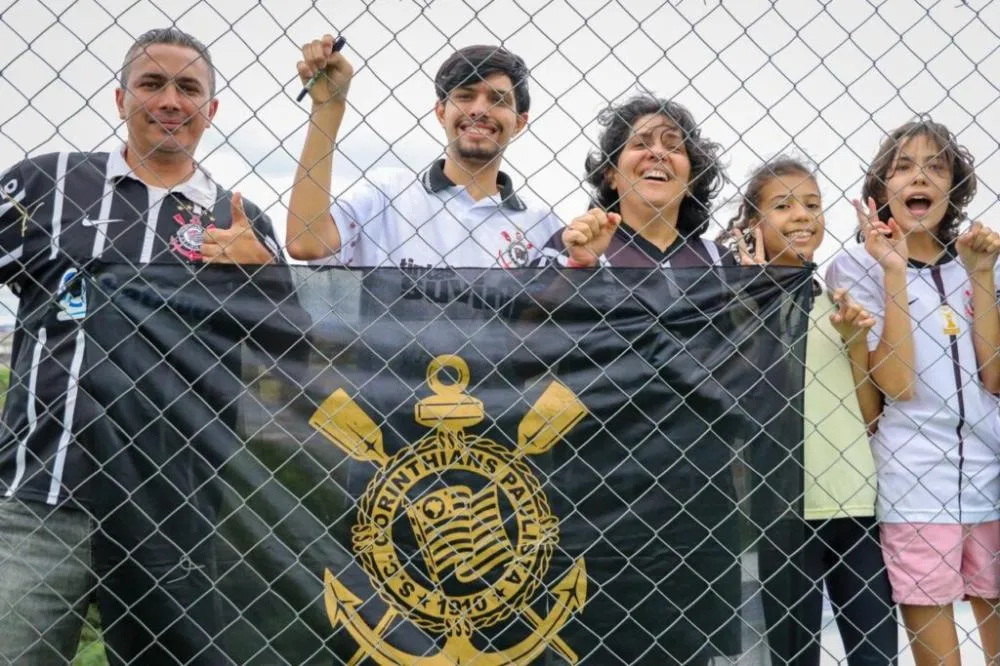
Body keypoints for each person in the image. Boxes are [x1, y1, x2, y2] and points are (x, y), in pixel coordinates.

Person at [0, 26, 281, 664]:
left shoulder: (236, 218)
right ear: (120, 96)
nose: (170, 101)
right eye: (152, 84)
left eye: (189, 88)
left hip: (176, 511)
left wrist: (262, 276)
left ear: (211, 110)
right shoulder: (48, 184)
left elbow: (290, 351)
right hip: (44, 493)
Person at [827, 118, 1000, 666]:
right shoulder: (855, 266)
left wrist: (981, 275)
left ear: (954, 187)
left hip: (990, 477)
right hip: (914, 486)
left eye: (935, 166)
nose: (918, 177)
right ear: (881, 189)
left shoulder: (980, 260)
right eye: (903, 167)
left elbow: (994, 377)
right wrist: (895, 272)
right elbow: (897, 385)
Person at [721, 156, 898, 664]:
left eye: (813, 204)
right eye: (783, 205)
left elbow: (867, 412)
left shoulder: (834, 303)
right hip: (780, 515)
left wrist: (855, 342)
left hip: (854, 507)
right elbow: (740, 397)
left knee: (877, 655)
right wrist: (752, 295)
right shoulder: (732, 303)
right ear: (753, 223)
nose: (802, 215)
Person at [285, 36, 561, 268]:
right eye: (465, 95)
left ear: (520, 123)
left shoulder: (542, 224)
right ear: (441, 112)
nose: (480, 109)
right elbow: (305, 242)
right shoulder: (387, 195)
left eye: (498, 99)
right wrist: (328, 107)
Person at [540, 93, 727, 268]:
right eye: (640, 144)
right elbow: (531, 303)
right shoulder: (569, 243)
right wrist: (578, 266)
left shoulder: (719, 261)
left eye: (674, 147)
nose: (658, 153)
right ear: (611, 174)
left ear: (691, 182)